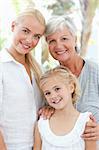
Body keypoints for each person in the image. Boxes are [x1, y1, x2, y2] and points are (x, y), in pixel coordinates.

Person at [44, 15, 99, 145]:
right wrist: (47, 109)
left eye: (64, 38)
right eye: (52, 41)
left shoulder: (96, 72)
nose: (58, 45)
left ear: (75, 39)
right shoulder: (50, 80)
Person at [0, 6, 46, 150]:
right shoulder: (2, 67)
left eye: (36, 36)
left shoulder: (38, 70)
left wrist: (48, 109)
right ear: (13, 26)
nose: (29, 40)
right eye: (25, 31)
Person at [34, 66, 96, 150]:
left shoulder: (85, 123)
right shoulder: (42, 124)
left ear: (71, 87)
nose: (53, 96)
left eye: (57, 89)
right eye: (48, 93)